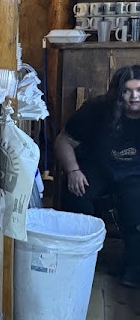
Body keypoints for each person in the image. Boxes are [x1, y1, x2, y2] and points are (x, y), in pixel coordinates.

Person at [57, 64, 140, 287]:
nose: (134, 97)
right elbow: (63, 140)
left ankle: (133, 268)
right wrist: (73, 170)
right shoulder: (98, 109)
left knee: (136, 209)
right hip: (96, 168)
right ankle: (79, 261)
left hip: (134, 175)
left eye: (139, 90)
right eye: (127, 91)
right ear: (118, 92)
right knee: (76, 195)